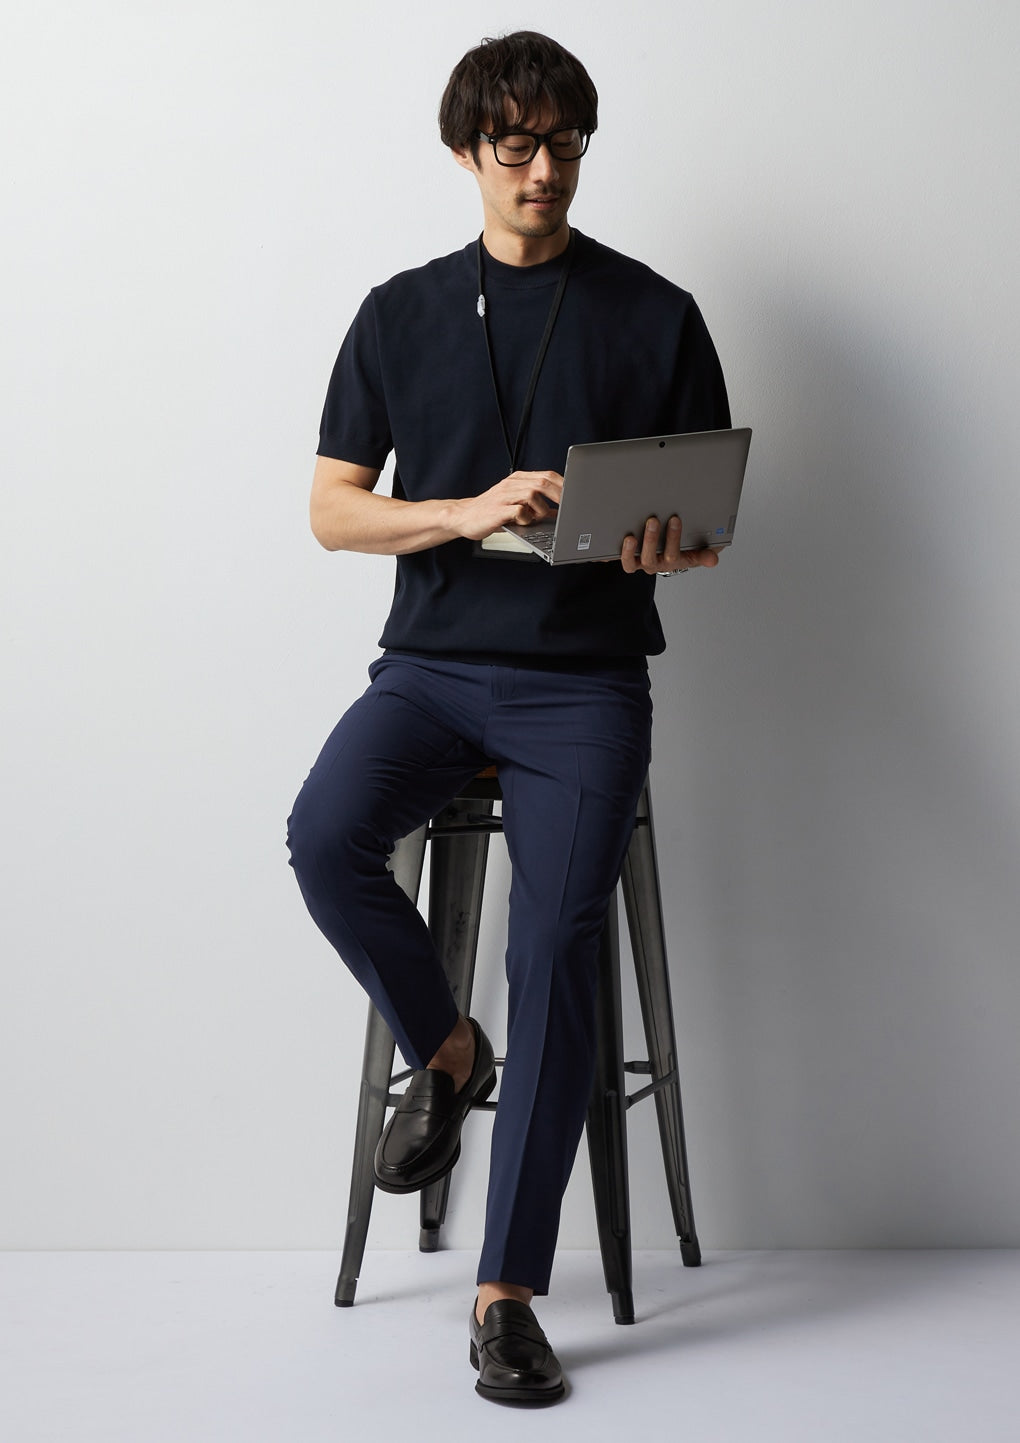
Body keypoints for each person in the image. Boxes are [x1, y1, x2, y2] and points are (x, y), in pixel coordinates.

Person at [287, 30, 730, 1405]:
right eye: (517, 146)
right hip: (429, 668)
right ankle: (449, 1048)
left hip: (585, 680)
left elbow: (706, 527)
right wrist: (465, 509)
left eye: (566, 145)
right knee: (323, 837)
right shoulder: (399, 313)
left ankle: (506, 1296)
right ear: (467, 151)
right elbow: (333, 511)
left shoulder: (656, 314)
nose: (544, 171)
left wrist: (668, 546)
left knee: (553, 948)